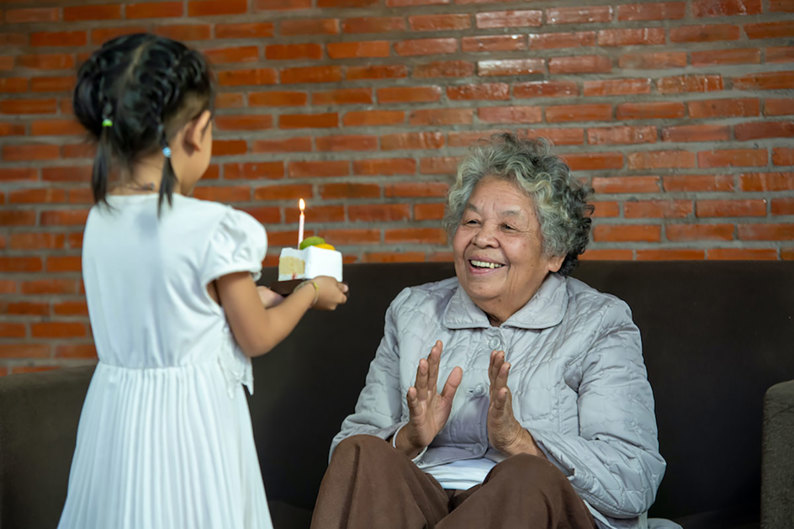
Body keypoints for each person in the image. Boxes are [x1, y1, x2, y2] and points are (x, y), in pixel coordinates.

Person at [57, 33, 348, 529]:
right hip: (190, 424)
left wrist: (247, 299)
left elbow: (172, 310)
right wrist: (310, 291)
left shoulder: (100, 221)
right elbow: (256, 337)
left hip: (116, 418)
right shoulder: (212, 227)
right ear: (196, 131)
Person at [310, 133, 666, 529]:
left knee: (526, 476)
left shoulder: (599, 322)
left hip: (528, 508)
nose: (481, 238)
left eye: (508, 226)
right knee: (362, 452)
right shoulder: (413, 311)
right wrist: (409, 437)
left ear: (554, 251)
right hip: (421, 502)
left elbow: (633, 476)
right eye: (472, 221)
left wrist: (519, 441)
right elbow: (346, 461)